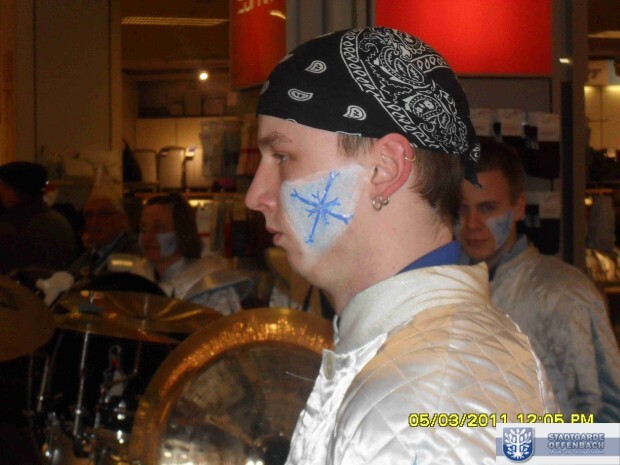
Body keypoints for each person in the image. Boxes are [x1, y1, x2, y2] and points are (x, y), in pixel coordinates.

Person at [245, 27, 556, 465]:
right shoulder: (423, 363)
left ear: (385, 168)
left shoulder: (419, 410)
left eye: (282, 157)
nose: (255, 196)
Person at [457, 139, 620, 422]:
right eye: (461, 209)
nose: (472, 224)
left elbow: (607, 423)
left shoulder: (562, 292)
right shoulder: (447, 287)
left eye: (487, 208)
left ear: (518, 207)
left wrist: (518, 444)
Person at [131, 193, 245, 315]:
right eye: (143, 229)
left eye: (159, 228)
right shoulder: (137, 278)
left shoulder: (211, 286)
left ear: (182, 232)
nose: (148, 237)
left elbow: (225, 326)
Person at [0, 161, 77, 274]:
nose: (0, 191)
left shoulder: (10, 225)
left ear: (15, 190)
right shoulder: (60, 221)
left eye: (3, 186)